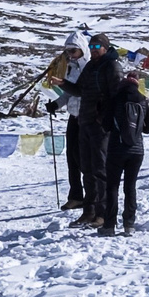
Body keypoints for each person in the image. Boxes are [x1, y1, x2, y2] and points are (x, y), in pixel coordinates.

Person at [70, 35, 121, 224]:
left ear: (105, 47)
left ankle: (103, 213)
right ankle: (89, 211)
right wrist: (62, 84)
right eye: (91, 46)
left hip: (100, 125)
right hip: (85, 121)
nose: (93, 49)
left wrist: (103, 117)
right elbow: (79, 90)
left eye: (97, 46)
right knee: (87, 168)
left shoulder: (112, 66)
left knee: (100, 169)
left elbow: (116, 95)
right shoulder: (91, 66)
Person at [97, 66, 149, 234]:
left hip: (116, 149)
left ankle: (109, 225)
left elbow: (106, 126)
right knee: (130, 186)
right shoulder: (143, 101)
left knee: (112, 186)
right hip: (137, 150)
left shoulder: (115, 99)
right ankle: (129, 224)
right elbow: (147, 129)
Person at [47, 29, 90, 211]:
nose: (70, 54)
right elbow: (69, 92)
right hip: (73, 116)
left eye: (73, 50)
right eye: (67, 51)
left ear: (82, 49)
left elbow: (80, 91)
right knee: (71, 158)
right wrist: (56, 104)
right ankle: (75, 196)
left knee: (84, 158)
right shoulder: (71, 67)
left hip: (87, 117)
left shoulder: (90, 67)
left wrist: (64, 85)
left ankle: (92, 195)